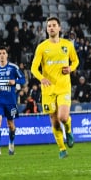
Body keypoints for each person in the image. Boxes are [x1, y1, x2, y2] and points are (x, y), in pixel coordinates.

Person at [31, 16, 80, 158]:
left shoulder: (67, 45)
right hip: (48, 90)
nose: (51, 28)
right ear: (47, 30)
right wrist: (42, 78)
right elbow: (34, 68)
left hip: (64, 87)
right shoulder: (42, 47)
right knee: (55, 122)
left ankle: (69, 131)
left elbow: (76, 60)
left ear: (59, 28)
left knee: (63, 117)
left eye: (53, 25)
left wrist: (71, 68)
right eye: (49, 26)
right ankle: (62, 149)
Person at [0, 46, 26, 156]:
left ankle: (11, 143)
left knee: (10, 125)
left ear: (7, 55)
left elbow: (23, 79)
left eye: (3, 53)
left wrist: (15, 81)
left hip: (10, 101)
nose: (1, 55)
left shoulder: (13, 67)